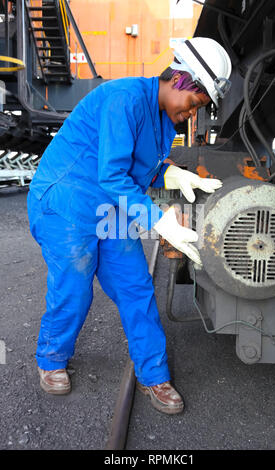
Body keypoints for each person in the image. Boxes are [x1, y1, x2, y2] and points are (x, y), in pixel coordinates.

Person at [27, 37, 231, 414]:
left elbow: (145, 169)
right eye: (195, 103)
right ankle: (51, 358)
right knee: (74, 284)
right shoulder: (124, 98)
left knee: (137, 286)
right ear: (182, 80)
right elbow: (113, 174)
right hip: (66, 202)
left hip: (110, 206)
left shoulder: (162, 119)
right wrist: (159, 222)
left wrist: (179, 176)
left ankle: (154, 373)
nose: (192, 113)